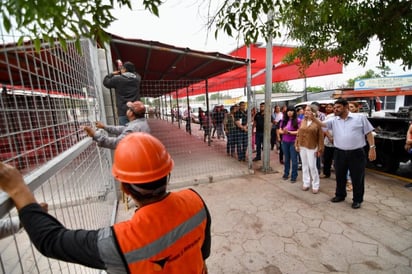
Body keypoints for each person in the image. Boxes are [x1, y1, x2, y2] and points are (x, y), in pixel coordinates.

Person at [0, 133, 212, 273]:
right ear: (168, 173)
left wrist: (19, 190)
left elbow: (51, 240)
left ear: (124, 188)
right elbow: (202, 257)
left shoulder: (120, 241)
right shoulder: (195, 200)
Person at [311, 98, 376, 209]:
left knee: (357, 178)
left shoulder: (359, 118)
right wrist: (313, 118)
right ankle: (340, 195)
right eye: (335, 107)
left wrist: (372, 148)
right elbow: (322, 124)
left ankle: (357, 200)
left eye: (338, 107)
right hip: (340, 152)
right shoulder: (334, 120)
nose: (335, 109)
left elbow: (369, 133)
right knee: (340, 176)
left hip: (356, 153)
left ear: (345, 107)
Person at [83, 100, 150, 149]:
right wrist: (104, 127)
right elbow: (123, 129)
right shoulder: (141, 123)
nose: (127, 110)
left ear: (131, 113)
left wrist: (94, 135)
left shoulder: (133, 128)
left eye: (129, 109)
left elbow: (116, 143)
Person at [295, 106, 324, 194]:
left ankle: (315, 184)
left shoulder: (317, 122)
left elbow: (321, 137)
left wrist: (320, 149)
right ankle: (306, 183)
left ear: (314, 112)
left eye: (308, 110)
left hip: (312, 146)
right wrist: (296, 144)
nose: (306, 112)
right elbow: (299, 133)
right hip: (302, 146)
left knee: (312, 166)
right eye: (305, 110)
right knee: (304, 165)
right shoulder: (303, 121)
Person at [103, 61, 141, 126]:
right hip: (135, 111)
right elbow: (135, 73)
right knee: (136, 130)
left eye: (122, 68)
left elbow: (106, 82)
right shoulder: (137, 79)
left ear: (125, 69)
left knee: (124, 131)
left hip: (123, 111)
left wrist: (112, 74)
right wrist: (126, 70)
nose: (121, 69)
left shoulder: (118, 79)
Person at [278, 106, 300, 182]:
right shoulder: (283, 121)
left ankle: (294, 176)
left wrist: (289, 132)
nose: (289, 112)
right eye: (288, 111)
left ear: (294, 112)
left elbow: (299, 132)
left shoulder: (298, 120)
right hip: (285, 142)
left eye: (291, 111)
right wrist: (283, 132)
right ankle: (286, 173)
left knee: (294, 160)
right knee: (286, 159)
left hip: (293, 142)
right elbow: (279, 131)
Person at [320, 103, 335, 179]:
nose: (328, 108)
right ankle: (326, 173)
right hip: (328, 141)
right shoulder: (329, 117)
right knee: (327, 159)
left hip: (339, 143)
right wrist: (329, 137)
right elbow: (324, 127)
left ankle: (339, 175)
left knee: (338, 160)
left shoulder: (342, 117)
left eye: (330, 107)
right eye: (327, 107)